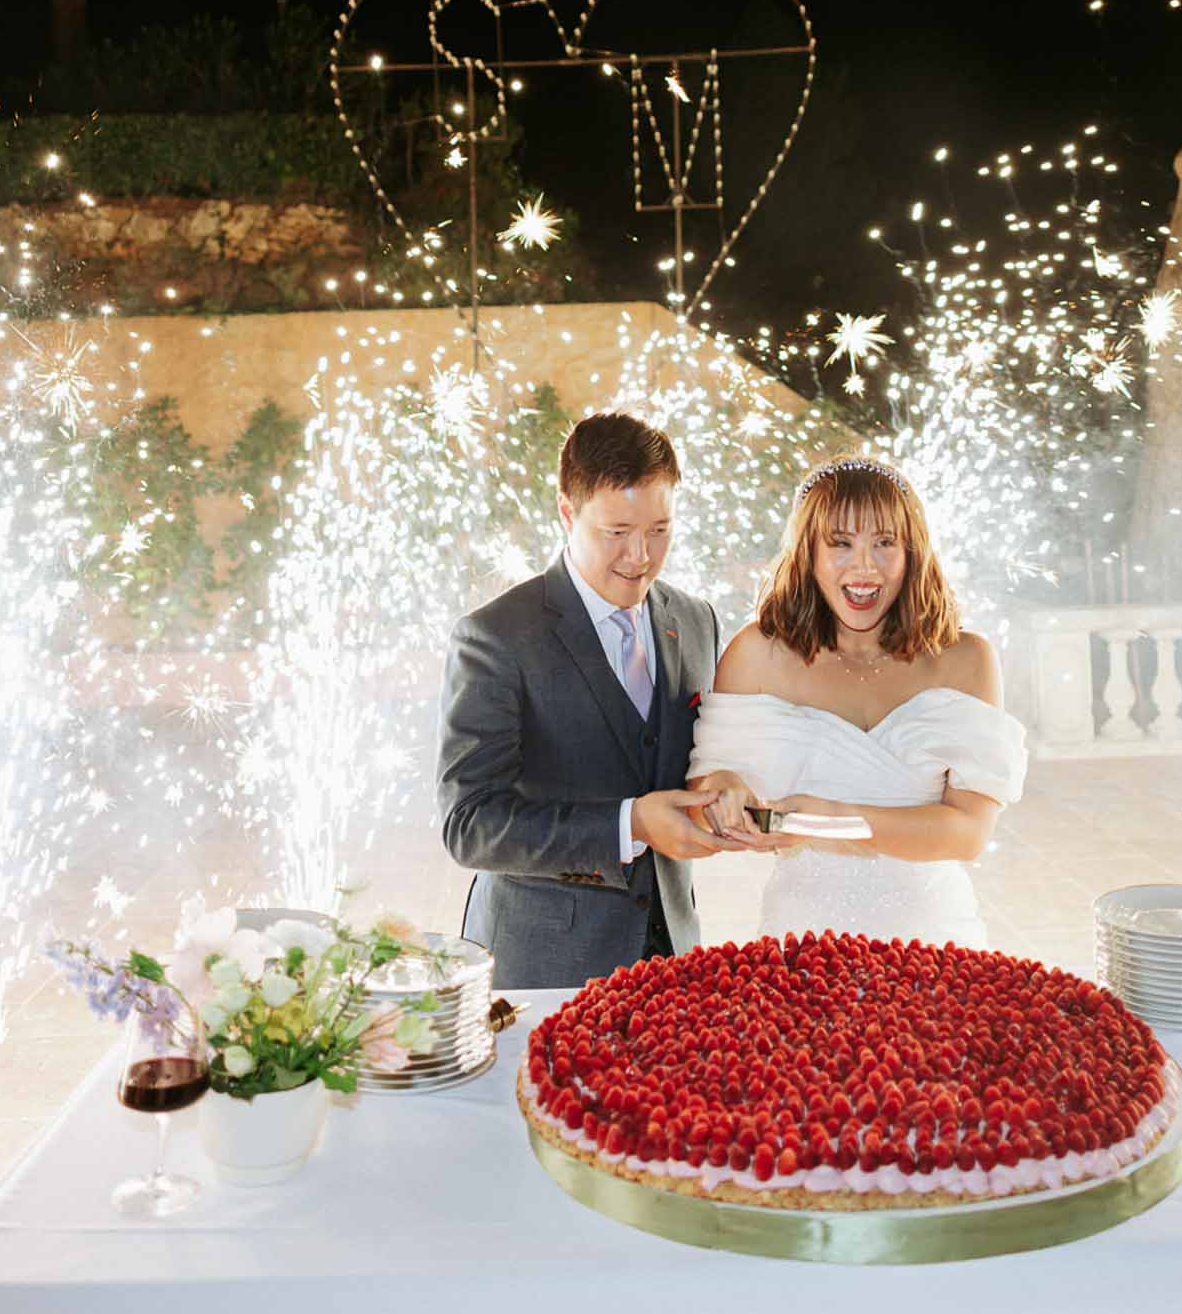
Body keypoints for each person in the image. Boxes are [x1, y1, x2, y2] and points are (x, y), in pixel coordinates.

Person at [436, 411, 738, 988]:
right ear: (567, 513)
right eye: (617, 532)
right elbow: (469, 824)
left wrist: (722, 790)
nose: (641, 556)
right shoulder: (495, 636)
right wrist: (630, 824)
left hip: (672, 964)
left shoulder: (695, 620)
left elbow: (698, 758)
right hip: (541, 970)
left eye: (659, 530)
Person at [686, 456, 1026, 946]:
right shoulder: (756, 653)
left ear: (912, 552)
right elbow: (707, 791)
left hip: (933, 939)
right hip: (802, 941)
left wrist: (822, 820)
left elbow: (967, 833)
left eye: (883, 543)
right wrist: (723, 791)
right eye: (841, 543)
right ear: (809, 553)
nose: (863, 566)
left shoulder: (967, 659)